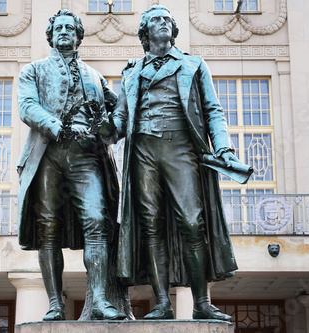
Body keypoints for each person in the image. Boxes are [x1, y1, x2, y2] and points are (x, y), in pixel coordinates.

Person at [112, 5, 239, 321]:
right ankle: (162, 304)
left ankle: (201, 303)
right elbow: (119, 119)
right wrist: (100, 127)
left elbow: (212, 110)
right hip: (143, 151)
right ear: (145, 32)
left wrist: (222, 147)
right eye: (156, 20)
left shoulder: (193, 65)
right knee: (151, 225)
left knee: (192, 222)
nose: (163, 23)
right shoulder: (131, 71)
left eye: (167, 19)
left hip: (181, 147)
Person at [16, 9, 126, 321]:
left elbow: (119, 110)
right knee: (48, 229)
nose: (64, 31)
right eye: (59, 27)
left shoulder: (94, 75)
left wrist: (109, 127)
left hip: (85, 157)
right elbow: (26, 106)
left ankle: (101, 302)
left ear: (78, 35)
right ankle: (55, 303)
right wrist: (53, 124)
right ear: (50, 35)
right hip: (48, 155)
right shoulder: (33, 70)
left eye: (70, 27)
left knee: (96, 222)